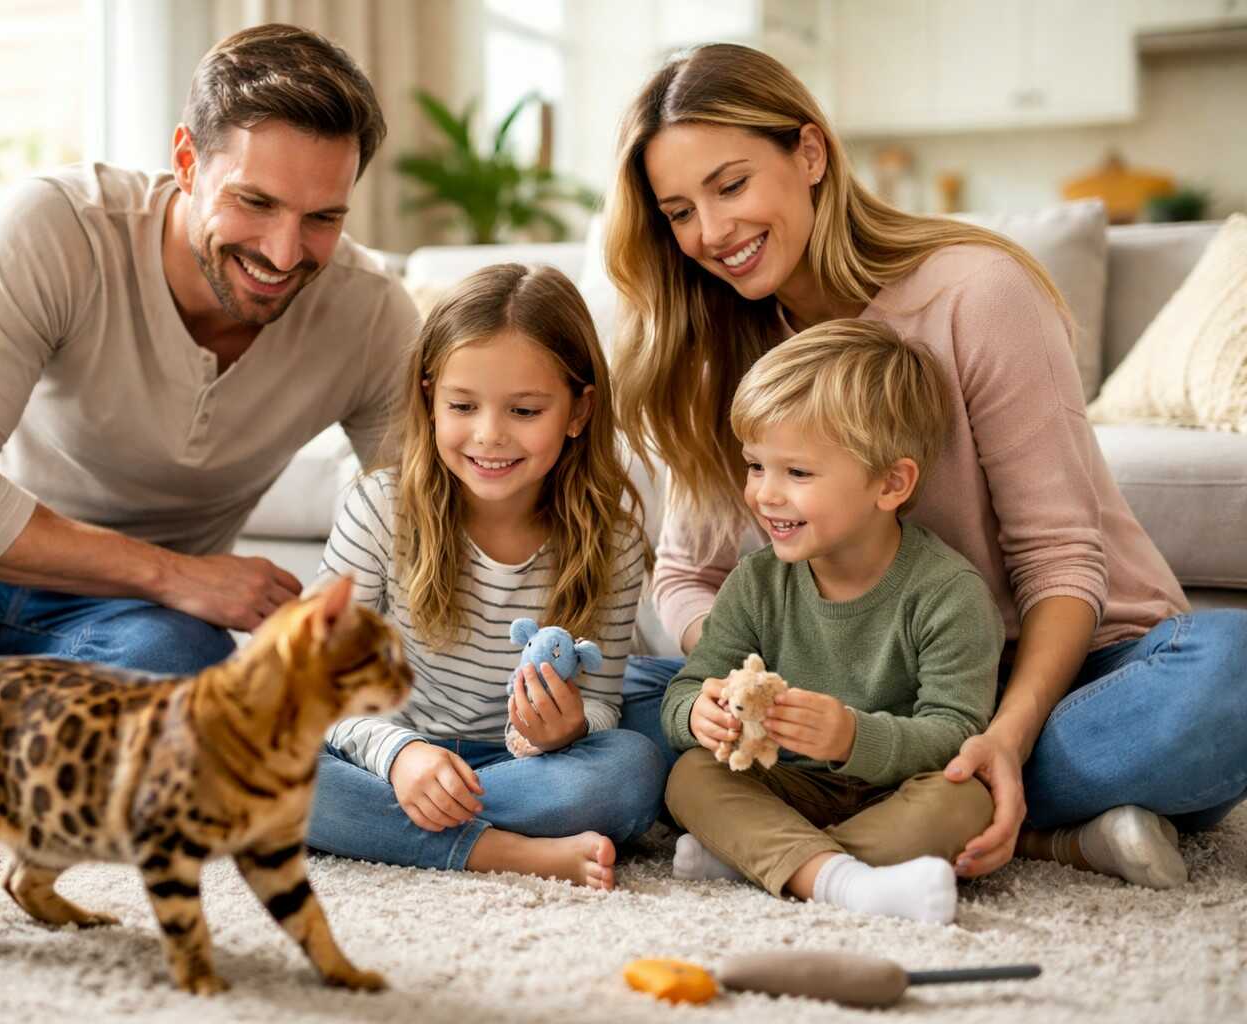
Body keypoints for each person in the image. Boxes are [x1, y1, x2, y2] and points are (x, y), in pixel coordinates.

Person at [605, 43, 1246, 889]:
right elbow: (690, 576)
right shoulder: (713, 345)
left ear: (809, 153)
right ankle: (1026, 829)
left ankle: (844, 821)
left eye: (731, 186)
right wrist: (743, 698)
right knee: (620, 704)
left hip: (1063, 674)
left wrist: (1004, 738)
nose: (712, 232)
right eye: (680, 211)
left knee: (1230, 671)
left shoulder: (975, 293)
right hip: (836, 702)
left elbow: (1060, 559)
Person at [0, 24, 421, 790]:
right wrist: (172, 573)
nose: (284, 252)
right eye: (255, 201)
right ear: (187, 161)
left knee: (183, 676)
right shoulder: (60, 227)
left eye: (323, 218)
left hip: (129, 639)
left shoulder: (370, 315)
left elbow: (427, 521)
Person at [308, 263, 662, 891]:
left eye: (524, 410)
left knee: (632, 768)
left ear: (579, 411)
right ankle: (504, 850)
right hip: (387, 753)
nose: (489, 435)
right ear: (429, 400)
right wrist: (401, 756)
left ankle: (407, 829)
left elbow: (604, 702)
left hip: (520, 767)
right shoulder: (380, 508)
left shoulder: (614, 541)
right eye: (462, 406)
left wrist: (571, 728)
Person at [663, 319, 1001, 923]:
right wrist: (698, 713)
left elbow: (955, 733)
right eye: (755, 466)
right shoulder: (756, 583)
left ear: (891, 483)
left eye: (797, 473)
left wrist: (852, 737)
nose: (765, 494)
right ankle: (844, 879)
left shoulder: (948, 592)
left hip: (897, 792)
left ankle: (771, 859)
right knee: (690, 775)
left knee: (966, 799)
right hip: (788, 786)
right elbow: (685, 690)